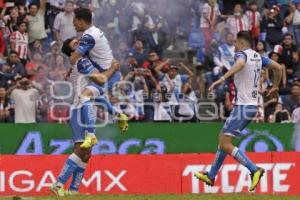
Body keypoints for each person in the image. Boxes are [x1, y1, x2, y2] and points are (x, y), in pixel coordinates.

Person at [194, 31, 282, 191]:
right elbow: (278, 67)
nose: (234, 45)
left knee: (224, 142)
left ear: (242, 43)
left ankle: (254, 170)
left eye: (236, 42)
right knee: (224, 140)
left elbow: (240, 64)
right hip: (251, 106)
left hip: (243, 106)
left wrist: (221, 79)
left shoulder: (241, 54)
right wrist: (275, 85)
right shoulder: (258, 56)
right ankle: (211, 175)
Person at [50, 37, 128, 196]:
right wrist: (113, 68)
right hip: (80, 109)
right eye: (75, 44)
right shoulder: (82, 61)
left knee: (87, 153)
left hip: (80, 108)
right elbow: (101, 78)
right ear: (73, 51)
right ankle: (58, 184)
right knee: (81, 150)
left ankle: (73, 190)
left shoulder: (79, 61)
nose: (79, 43)